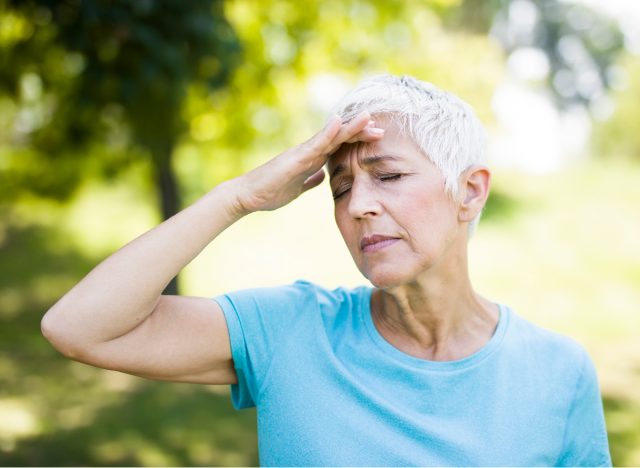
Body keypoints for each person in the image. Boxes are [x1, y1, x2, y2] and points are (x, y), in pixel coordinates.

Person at [41, 74, 611, 466]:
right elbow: (79, 327)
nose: (358, 204)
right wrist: (238, 197)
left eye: (387, 176)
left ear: (469, 190)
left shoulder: (558, 374)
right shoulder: (289, 331)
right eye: (341, 188)